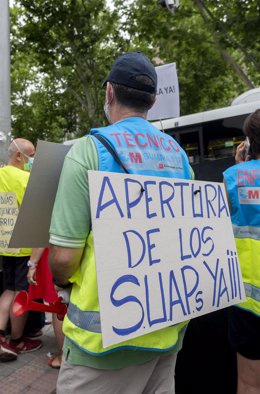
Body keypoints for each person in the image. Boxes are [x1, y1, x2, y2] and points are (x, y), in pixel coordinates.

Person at [49, 51, 193, 394]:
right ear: (153, 101)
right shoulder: (179, 155)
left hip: (100, 347)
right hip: (166, 331)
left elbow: (64, 259)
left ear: (109, 92)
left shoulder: (88, 150)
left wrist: (60, 279)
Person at [223, 109, 260, 394]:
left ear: (248, 143)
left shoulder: (235, 178)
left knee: (249, 383)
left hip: (248, 304)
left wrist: (242, 166)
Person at [0, 138, 42, 361]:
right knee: (21, 293)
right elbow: (37, 216)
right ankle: (17, 341)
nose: (33, 160)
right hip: (25, 247)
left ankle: (0, 337)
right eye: (31, 155)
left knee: (7, 289)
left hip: (4, 246)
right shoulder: (26, 179)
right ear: (19, 156)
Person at [27, 247, 64, 368]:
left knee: (58, 304)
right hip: (75, 253)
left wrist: (32, 264)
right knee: (66, 301)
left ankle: (64, 356)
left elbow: (40, 239)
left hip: (55, 255)